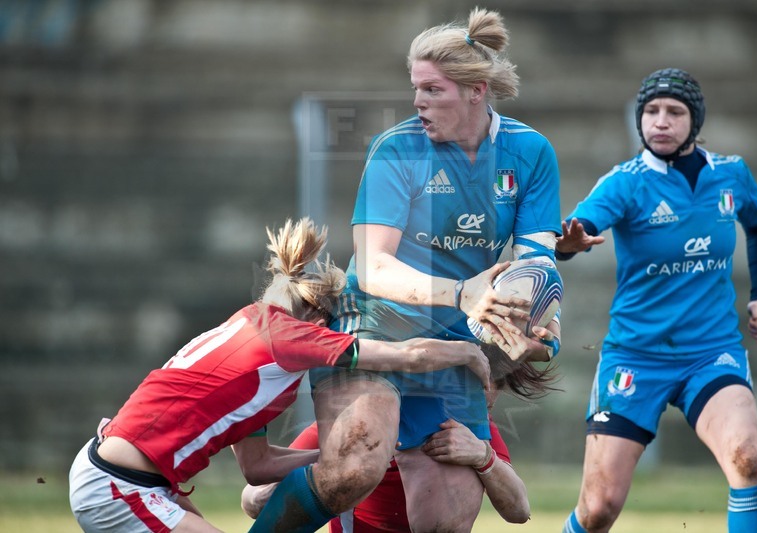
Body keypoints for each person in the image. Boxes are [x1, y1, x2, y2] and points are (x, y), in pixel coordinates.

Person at [253, 7, 563, 532]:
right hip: (374, 326)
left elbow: (536, 266)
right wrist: (463, 291)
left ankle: (276, 497)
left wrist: (539, 328)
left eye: (433, 90)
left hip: (453, 345)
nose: (417, 102)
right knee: (356, 467)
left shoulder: (530, 153)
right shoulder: (397, 150)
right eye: (415, 88)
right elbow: (373, 268)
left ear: (476, 90)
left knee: (447, 516)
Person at [67, 217, 490, 533]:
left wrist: (338, 460)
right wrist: (470, 352)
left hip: (133, 477)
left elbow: (258, 465)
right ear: (320, 316)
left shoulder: (257, 340)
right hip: (120, 485)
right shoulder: (290, 338)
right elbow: (407, 356)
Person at [557, 68, 757, 533]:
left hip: (711, 353)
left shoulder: (730, 174)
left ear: (694, 122)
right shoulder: (625, 182)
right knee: (599, 509)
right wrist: (568, 244)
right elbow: (581, 227)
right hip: (636, 357)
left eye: (674, 112)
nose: (660, 121)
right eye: (651, 111)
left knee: (748, 461)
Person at [243, 343, 556, 531]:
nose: (482, 407)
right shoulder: (364, 420)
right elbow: (253, 500)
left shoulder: (471, 432)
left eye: (488, 400)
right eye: (474, 395)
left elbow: (519, 511)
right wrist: (345, 463)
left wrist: (483, 458)